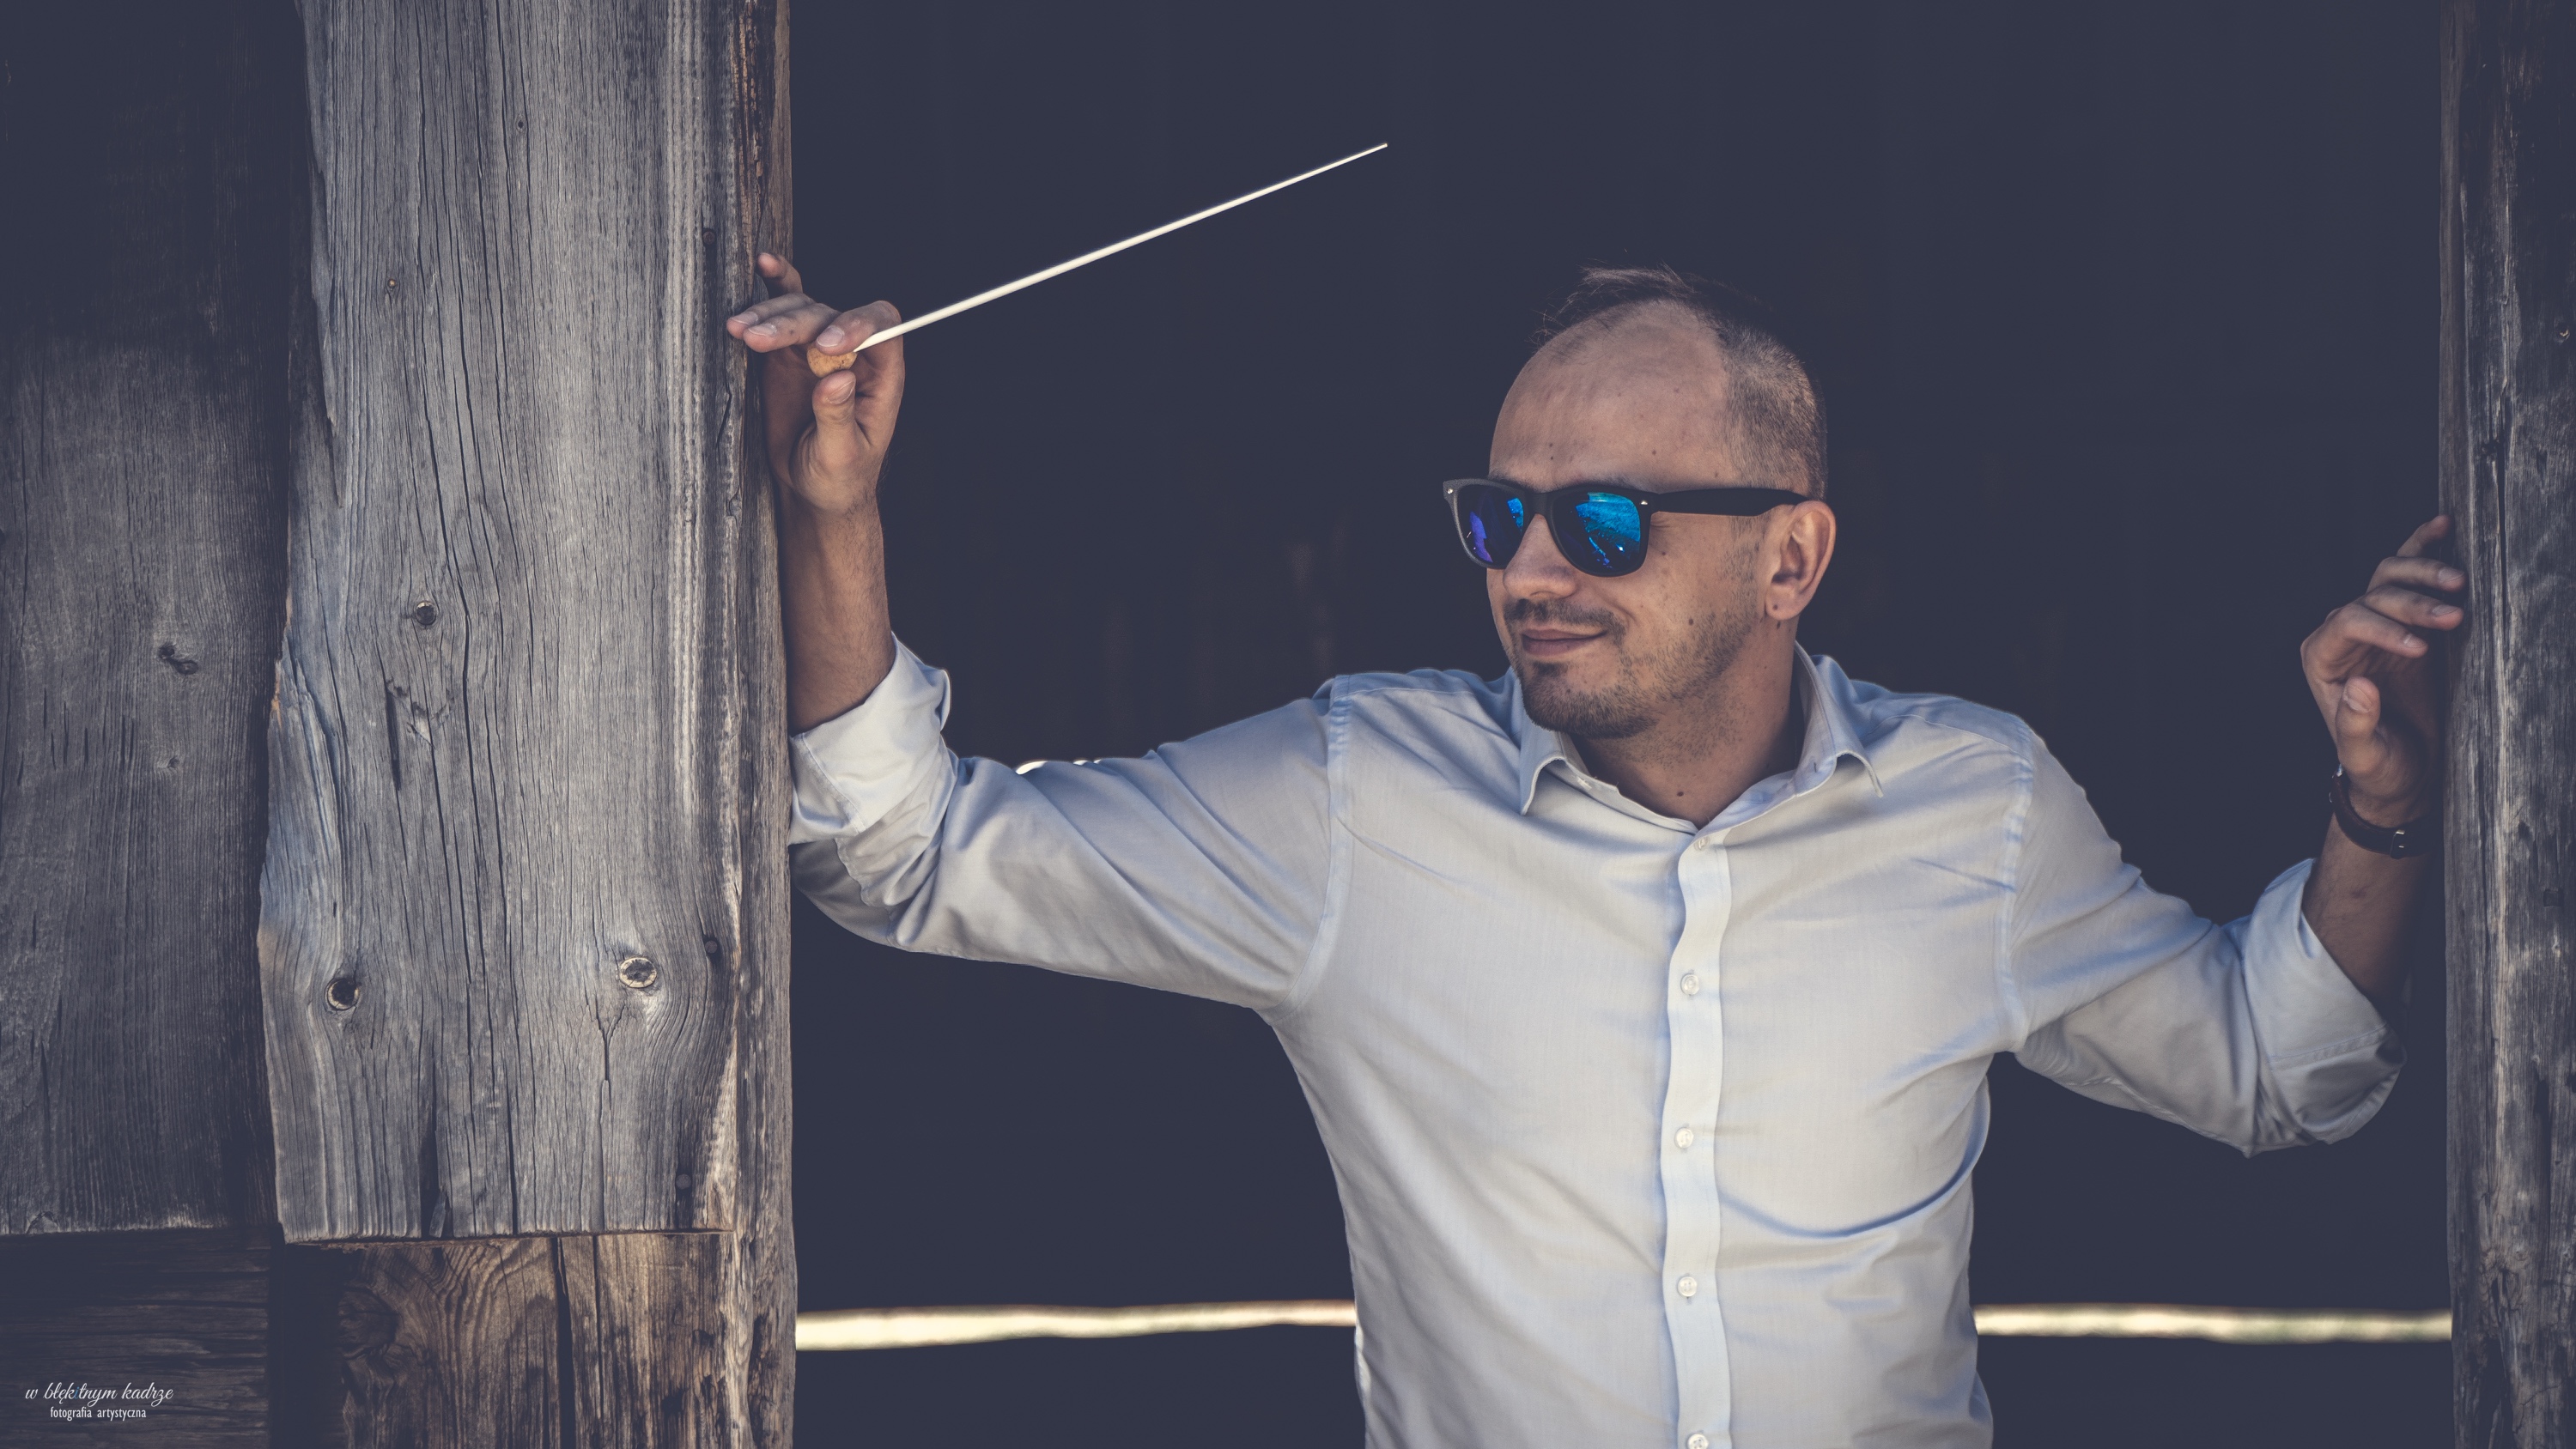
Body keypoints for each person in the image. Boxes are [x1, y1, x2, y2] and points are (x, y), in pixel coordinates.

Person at [729, 256, 2460, 1449]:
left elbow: (2272, 1073)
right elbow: (904, 853)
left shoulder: (1978, 811)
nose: (1532, 570)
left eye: (1607, 520)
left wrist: (2378, 796)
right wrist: (834, 510)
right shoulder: (1350, 801)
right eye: (1501, 515)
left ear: (1791, 560)